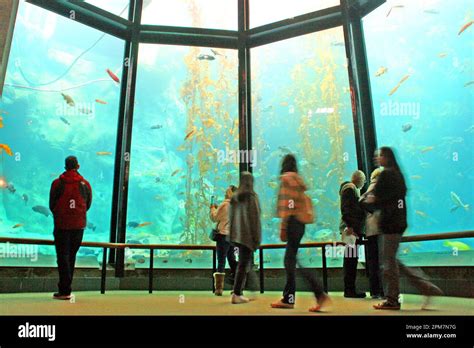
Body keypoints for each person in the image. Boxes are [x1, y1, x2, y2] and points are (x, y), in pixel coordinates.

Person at [361, 147, 443, 310]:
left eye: (381, 155)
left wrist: (367, 201)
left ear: (388, 157)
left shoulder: (386, 175)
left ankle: (392, 300)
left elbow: (377, 199)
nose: (378, 158)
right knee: (392, 260)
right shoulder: (398, 175)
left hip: (389, 224)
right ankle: (426, 287)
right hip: (398, 222)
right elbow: (393, 198)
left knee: (388, 263)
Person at [271, 154, 331, 312]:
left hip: (292, 222)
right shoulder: (298, 179)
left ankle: (305, 296)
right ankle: (293, 297)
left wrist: (283, 226)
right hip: (300, 224)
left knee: (290, 260)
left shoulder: (286, 179)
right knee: (291, 260)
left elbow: (287, 204)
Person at [49, 156, 92, 300]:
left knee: (63, 257)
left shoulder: (57, 183)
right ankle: (66, 289)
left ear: (65, 166)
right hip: (78, 226)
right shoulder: (85, 184)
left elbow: (52, 204)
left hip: (61, 225)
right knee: (71, 256)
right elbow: (88, 204)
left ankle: (64, 290)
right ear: (78, 166)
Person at [229, 172, 261, 304]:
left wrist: (231, 236)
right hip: (247, 236)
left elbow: (231, 218)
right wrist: (256, 238)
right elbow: (254, 219)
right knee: (243, 265)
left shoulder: (235, 197)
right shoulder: (251, 197)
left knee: (242, 264)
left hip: (237, 236)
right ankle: (237, 293)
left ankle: (238, 291)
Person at [339, 170, 367, 298]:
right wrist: (350, 226)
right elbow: (346, 209)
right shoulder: (350, 189)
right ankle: (349, 290)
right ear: (359, 179)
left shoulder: (351, 189)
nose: (364, 183)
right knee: (350, 259)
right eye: (364, 180)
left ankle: (349, 289)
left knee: (351, 259)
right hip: (350, 230)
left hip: (350, 229)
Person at [359, 167, 384, 299]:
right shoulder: (375, 185)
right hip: (376, 230)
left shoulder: (373, 185)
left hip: (371, 230)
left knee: (374, 261)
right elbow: (362, 201)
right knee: (377, 261)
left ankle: (376, 291)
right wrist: (375, 211)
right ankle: (378, 291)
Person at [210, 185, 238, 296]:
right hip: (233, 236)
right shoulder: (237, 205)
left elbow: (214, 218)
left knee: (221, 260)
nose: (225, 191)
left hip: (223, 236)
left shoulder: (225, 204)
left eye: (227, 189)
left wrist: (212, 209)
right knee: (232, 260)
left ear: (229, 192)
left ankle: (219, 289)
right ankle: (237, 287)